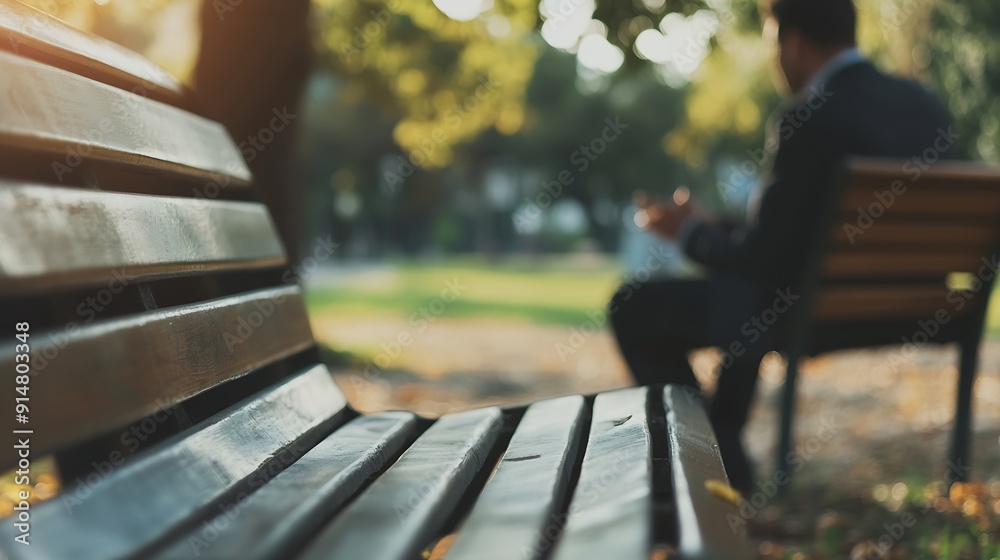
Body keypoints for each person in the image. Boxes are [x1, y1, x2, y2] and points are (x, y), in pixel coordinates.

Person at [608, 0, 953, 494]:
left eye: (772, 43)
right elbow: (789, 237)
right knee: (751, 300)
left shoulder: (807, 118)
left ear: (792, 43)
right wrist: (717, 227)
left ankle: (716, 462)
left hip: (806, 311)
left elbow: (761, 258)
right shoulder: (926, 106)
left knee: (634, 306)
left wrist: (688, 234)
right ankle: (723, 446)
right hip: (918, 306)